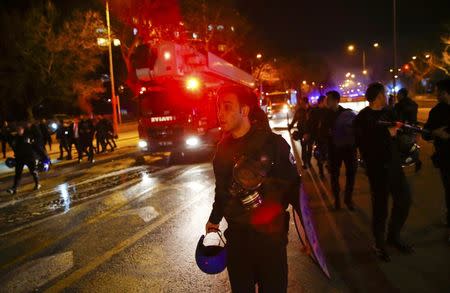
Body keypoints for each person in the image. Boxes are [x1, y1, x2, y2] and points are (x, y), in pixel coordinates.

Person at [205, 85, 300, 292]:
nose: (220, 113)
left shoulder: (274, 144)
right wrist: (214, 219)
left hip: (270, 240)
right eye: (218, 107)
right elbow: (221, 189)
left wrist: (309, 236)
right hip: (238, 240)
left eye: (227, 107)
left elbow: (295, 189)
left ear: (245, 111)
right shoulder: (223, 149)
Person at [354, 82, 414, 262]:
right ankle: (379, 244)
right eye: (385, 93)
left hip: (395, 166)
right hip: (377, 169)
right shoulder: (362, 117)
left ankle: (393, 236)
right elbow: (361, 143)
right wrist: (387, 134)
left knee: (404, 201)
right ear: (379, 95)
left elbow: (400, 131)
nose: (387, 95)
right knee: (380, 209)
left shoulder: (390, 112)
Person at [422, 79, 450, 243]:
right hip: (445, 158)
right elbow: (426, 133)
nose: (435, 94)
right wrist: (435, 133)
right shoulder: (436, 111)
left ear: (445, 92)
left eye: (438, 91)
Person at [325, 91, 357, 211]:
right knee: (334, 175)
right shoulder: (325, 115)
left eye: (329, 99)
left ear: (336, 100)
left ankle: (348, 199)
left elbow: (355, 129)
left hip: (349, 148)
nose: (327, 101)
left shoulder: (347, 113)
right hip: (334, 149)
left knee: (351, 174)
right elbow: (321, 131)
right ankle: (337, 199)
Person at [7, 125, 41, 194]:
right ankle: (14, 188)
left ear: (23, 130)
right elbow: (13, 145)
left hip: (29, 157)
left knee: (33, 171)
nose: (19, 131)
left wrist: (38, 156)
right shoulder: (15, 138)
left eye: (20, 130)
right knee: (18, 174)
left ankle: (37, 183)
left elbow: (35, 144)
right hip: (19, 158)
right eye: (18, 130)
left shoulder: (28, 136)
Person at [395, 88, 422, 172]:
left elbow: (398, 118)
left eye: (398, 94)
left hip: (403, 129)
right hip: (412, 129)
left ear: (402, 95)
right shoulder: (413, 104)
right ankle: (416, 161)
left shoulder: (399, 105)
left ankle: (400, 166)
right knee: (410, 147)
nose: (397, 96)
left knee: (399, 148)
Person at [305, 95, 328, 178]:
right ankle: (321, 170)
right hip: (318, 136)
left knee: (324, 153)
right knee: (320, 154)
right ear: (322, 102)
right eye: (325, 100)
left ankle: (324, 166)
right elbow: (309, 123)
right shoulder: (315, 111)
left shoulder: (327, 111)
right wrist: (308, 133)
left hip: (325, 136)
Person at [289, 97, 312, 169]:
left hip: (310, 132)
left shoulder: (311, 111)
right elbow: (295, 119)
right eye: (300, 103)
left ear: (306, 103)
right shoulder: (299, 111)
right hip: (302, 132)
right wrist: (290, 126)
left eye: (302, 103)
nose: (301, 104)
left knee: (310, 148)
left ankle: (308, 161)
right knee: (304, 147)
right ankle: (305, 162)